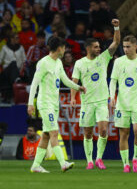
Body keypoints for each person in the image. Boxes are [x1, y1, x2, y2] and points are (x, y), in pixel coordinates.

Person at [27, 36, 86, 173]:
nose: (65, 50)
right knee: (54, 132)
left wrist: (78, 88)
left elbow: (65, 80)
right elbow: (34, 84)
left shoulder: (58, 63)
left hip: (54, 104)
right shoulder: (43, 63)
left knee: (47, 135)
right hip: (45, 103)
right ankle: (63, 163)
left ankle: (36, 165)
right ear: (59, 48)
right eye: (64, 47)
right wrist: (30, 103)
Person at [70, 19, 120, 170]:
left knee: (103, 130)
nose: (99, 49)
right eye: (96, 47)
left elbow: (116, 42)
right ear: (88, 48)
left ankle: (99, 159)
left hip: (101, 101)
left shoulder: (104, 58)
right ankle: (89, 161)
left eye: (99, 47)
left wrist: (116, 27)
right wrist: (72, 97)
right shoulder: (79, 63)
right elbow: (74, 81)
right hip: (87, 103)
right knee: (88, 132)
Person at [109, 35, 137, 173]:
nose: (125, 49)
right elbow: (113, 81)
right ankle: (125, 164)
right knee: (124, 134)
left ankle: (135, 159)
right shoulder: (118, 62)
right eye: (124, 47)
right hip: (122, 104)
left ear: (135, 46)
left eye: (128, 47)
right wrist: (112, 97)